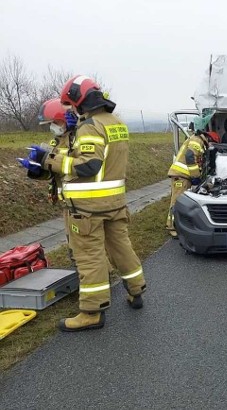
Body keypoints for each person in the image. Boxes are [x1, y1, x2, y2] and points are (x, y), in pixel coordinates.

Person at [24, 75, 147, 331]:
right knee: (121, 248)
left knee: (89, 258)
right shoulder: (116, 123)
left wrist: (49, 160)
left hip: (88, 208)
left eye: (70, 105)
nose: (70, 111)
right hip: (114, 202)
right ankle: (136, 291)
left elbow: (89, 165)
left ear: (80, 101)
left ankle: (92, 311)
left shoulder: (90, 127)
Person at [19, 98, 78, 266]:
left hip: (81, 200)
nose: (52, 126)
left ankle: (98, 276)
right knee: (73, 244)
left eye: (55, 122)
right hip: (67, 201)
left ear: (66, 119)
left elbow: (78, 165)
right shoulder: (56, 141)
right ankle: (82, 274)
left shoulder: (79, 138)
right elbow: (52, 171)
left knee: (85, 245)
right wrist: (36, 170)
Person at [166, 115, 221, 238]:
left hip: (184, 176)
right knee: (177, 202)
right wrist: (196, 176)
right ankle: (172, 227)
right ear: (210, 139)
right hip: (181, 176)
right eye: (213, 143)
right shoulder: (197, 140)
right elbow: (190, 156)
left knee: (180, 201)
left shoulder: (201, 142)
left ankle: (177, 225)